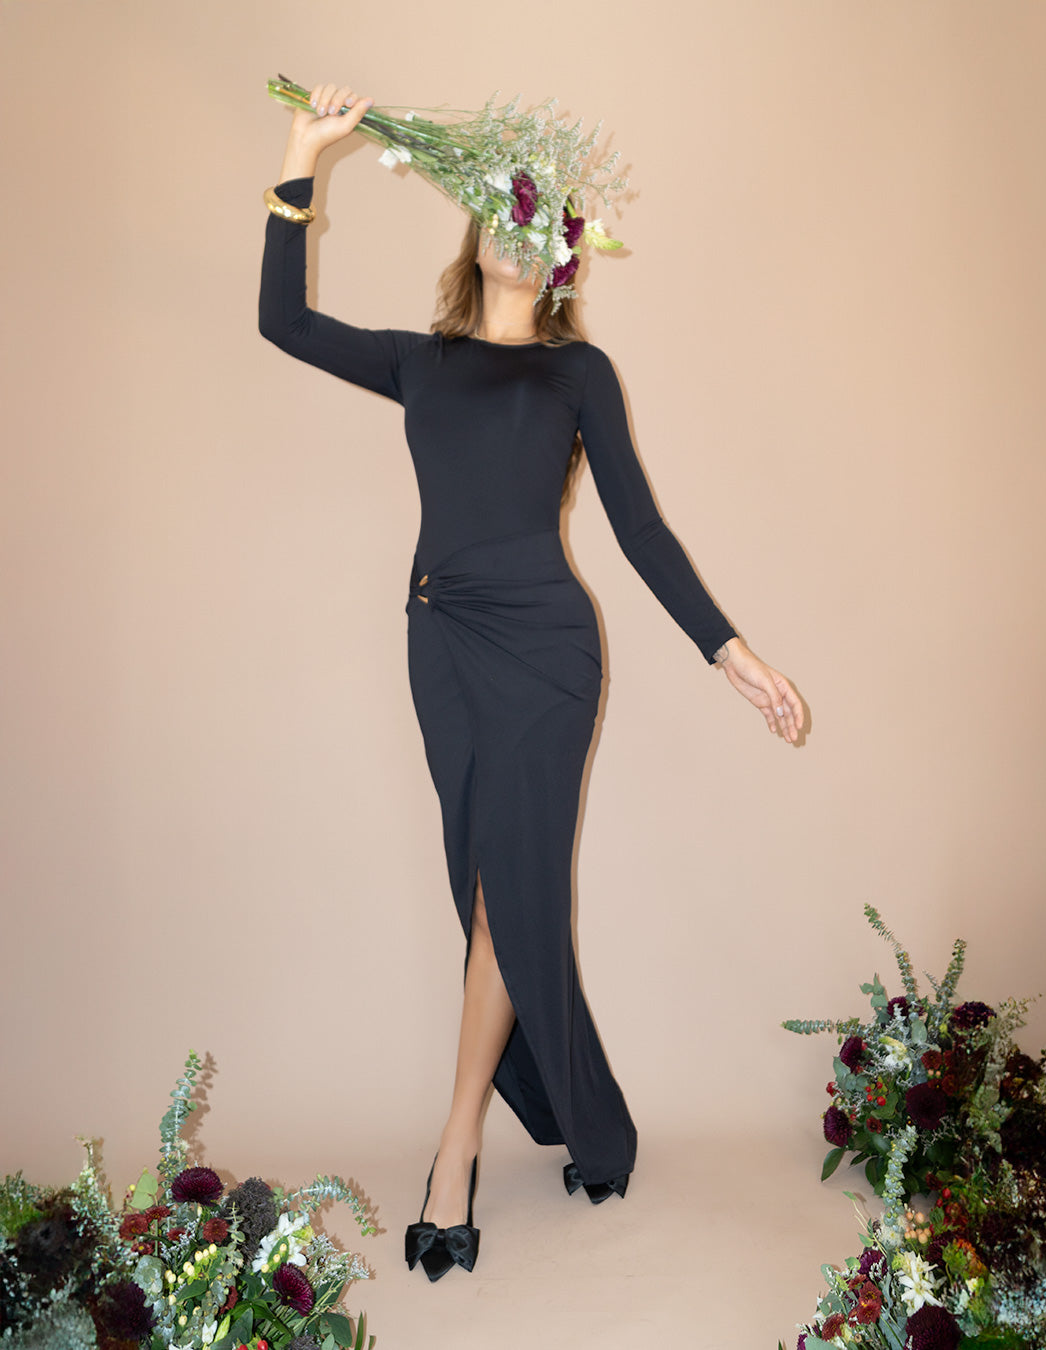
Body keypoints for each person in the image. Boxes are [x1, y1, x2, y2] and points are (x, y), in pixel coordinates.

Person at [259, 82, 804, 1282]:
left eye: (539, 217)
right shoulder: (420, 363)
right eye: (504, 209)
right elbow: (281, 323)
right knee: (490, 889)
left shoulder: (580, 374)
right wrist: (303, 154)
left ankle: (453, 1150)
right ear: (476, 235)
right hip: (445, 645)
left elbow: (641, 531)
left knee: (510, 895)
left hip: (549, 653)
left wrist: (733, 653)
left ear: (562, 256)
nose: (518, 228)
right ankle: (592, 1127)